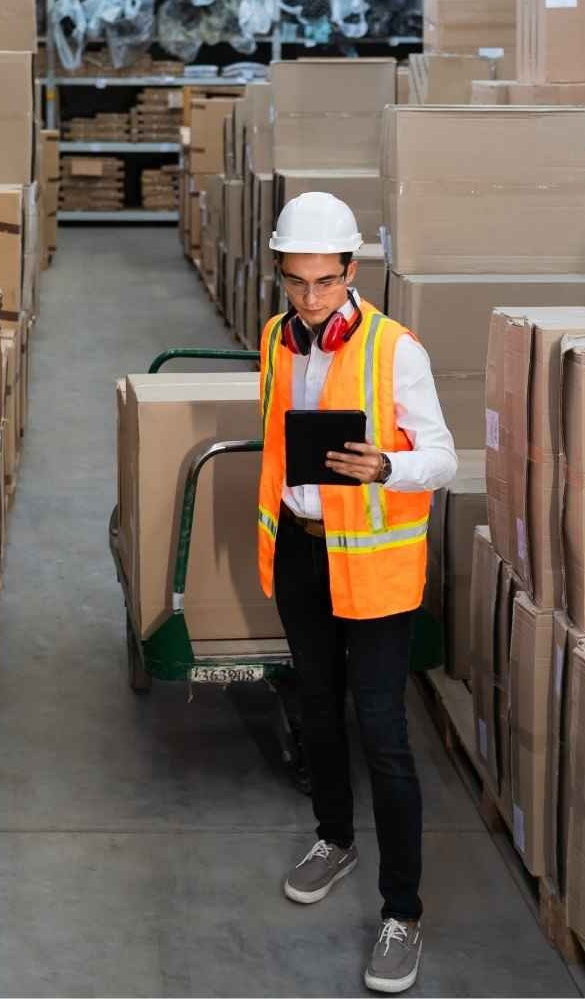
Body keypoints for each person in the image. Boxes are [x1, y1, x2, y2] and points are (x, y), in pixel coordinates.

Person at [254, 192, 457, 994]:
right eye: (296, 283)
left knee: (384, 734)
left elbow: (442, 456)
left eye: (325, 283)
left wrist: (386, 465)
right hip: (302, 557)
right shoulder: (274, 340)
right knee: (316, 710)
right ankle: (334, 837)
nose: (310, 300)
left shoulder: (396, 350)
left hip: (373, 568)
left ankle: (402, 910)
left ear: (352, 270)